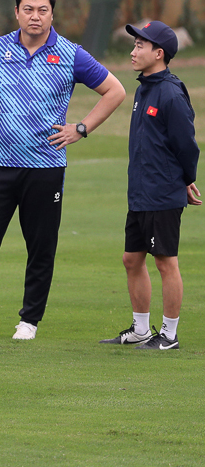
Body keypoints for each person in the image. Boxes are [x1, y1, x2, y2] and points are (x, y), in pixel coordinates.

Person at [0, 0, 126, 340]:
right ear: (16, 12)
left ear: (53, 13)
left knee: (40, 246)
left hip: (45, 168)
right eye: (28, 9)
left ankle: (29, 321)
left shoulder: (71, 54)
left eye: (42, 10)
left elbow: (114, 90)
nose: (35, 16)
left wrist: (81, 128)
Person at [100, 21, 199, 350]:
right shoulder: (144, 89)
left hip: (162, 192)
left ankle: (169, 335)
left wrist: (186, 179)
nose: (133, 51)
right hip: (141, 193)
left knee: (165, 261)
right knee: (132, 258)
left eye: (140, 46)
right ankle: (141, 329)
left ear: (159, 53)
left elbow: (187, 144)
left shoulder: (171, 92)